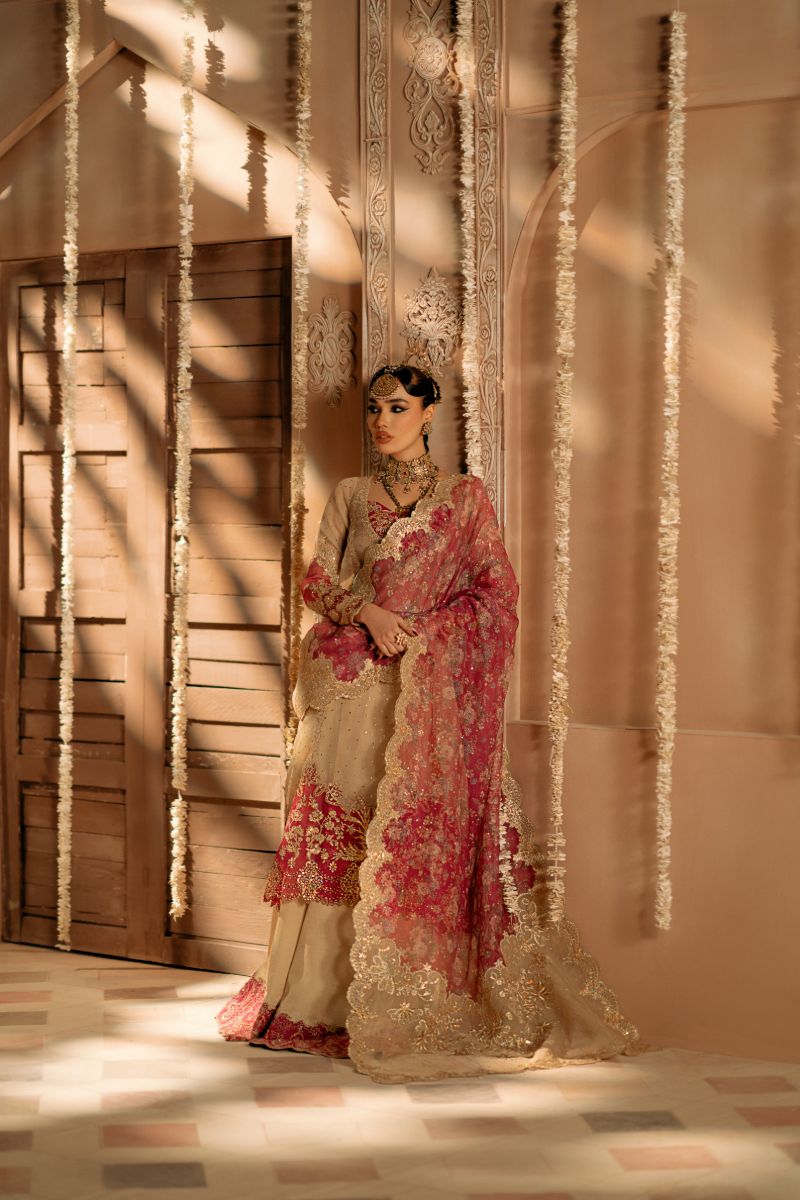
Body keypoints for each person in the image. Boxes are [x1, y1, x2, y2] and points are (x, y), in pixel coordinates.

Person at [215, 363, 647, 1083]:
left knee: (404, 835)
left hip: (423, 699)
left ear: (427, 413)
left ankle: (395, 1000)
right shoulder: (351, 494)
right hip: (348, 691)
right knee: (337, 831)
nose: (381, 420)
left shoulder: (464, 500)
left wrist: (422, 633)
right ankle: (314, 1004)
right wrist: (369, 613)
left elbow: (496, 596)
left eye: (396, 407)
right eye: (374, 408)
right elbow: (316, 581)